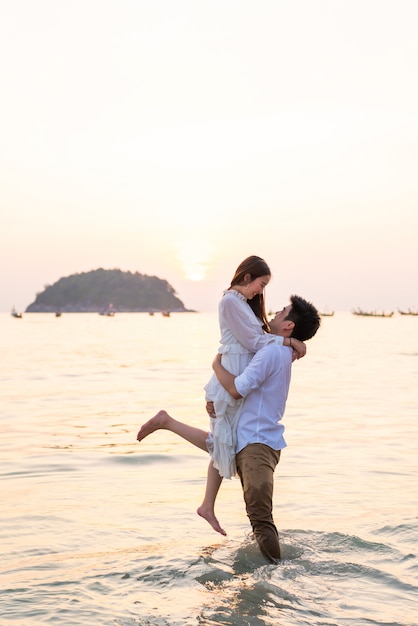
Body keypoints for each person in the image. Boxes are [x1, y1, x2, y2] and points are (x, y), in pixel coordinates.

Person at [136, 295, 321, 562]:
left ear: (289, 325)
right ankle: (168, 423)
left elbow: (236, 389)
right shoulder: (278, 349)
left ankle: (276, 576)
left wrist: (215, 365)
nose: (275, 313)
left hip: (257, 445)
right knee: (220, 447)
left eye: (282, 311)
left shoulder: (272, 352)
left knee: (261, 519)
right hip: (254, 441)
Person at [199, 256, 306, 536]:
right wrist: (289, 340)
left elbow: (258, 341)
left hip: (236, 372)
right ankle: (207, 505)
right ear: (246, 277)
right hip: (232, 371)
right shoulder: (230, 301)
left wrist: (284, 347)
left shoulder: (242, 304)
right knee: (221, 441)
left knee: (223, 441)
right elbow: (254, 341)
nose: (261, 291)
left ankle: (208, 505)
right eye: (261, 284)